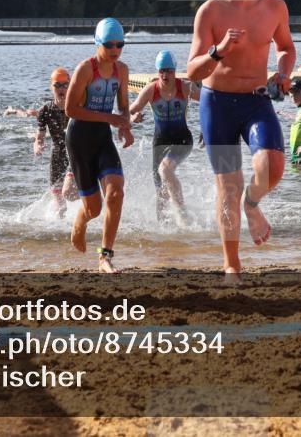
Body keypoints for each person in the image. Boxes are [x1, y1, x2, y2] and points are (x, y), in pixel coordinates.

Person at [186, 0, 296, 277]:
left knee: (272, 167)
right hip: (216, 105)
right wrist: (218, 50)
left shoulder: (274, 6)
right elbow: (193, 71)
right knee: (228, 187)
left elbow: (286, 47)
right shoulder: (210, 11)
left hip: (256, 100)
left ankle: (252, 204)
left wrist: (283, 73)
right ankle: (231, 264)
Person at [65, 18, 134, 273]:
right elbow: (70, 109)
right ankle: (80, 221)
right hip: (79, 140)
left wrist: (125, 126)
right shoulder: (85, 69)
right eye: (109, 44)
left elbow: (124, 106)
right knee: (94, 209)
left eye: (120, 44)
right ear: (97, 43)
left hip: (103, 138)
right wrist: (110, 118)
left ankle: (105, 256)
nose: (115, 50)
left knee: (116, 194)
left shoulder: (121, 71)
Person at [129, 50, 200, 223]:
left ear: (175, 71)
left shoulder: (185, 87)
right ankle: (162, 228)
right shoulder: (151, 90)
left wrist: (207, 127)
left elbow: (208, 102)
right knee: (160, 191)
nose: (165, 75)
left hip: (183, 140)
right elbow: (130, 110)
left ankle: (183, 215)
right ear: (158, 71)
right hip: (160, 143)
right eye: (162, 71)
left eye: (169, 71)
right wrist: (133, 117)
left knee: (165, 170)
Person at [34, 67, 79, 214]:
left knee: (69, 193)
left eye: (65, 85)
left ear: (70, 86)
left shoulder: (77, 106)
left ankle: (94, 195)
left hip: (75, 154)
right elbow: (39, 137)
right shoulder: (45, 110)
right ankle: (61, 226)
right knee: (60, 204)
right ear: (51, 87)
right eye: (57, 85)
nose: (61, 88)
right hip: (57, 155)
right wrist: (38, 146)